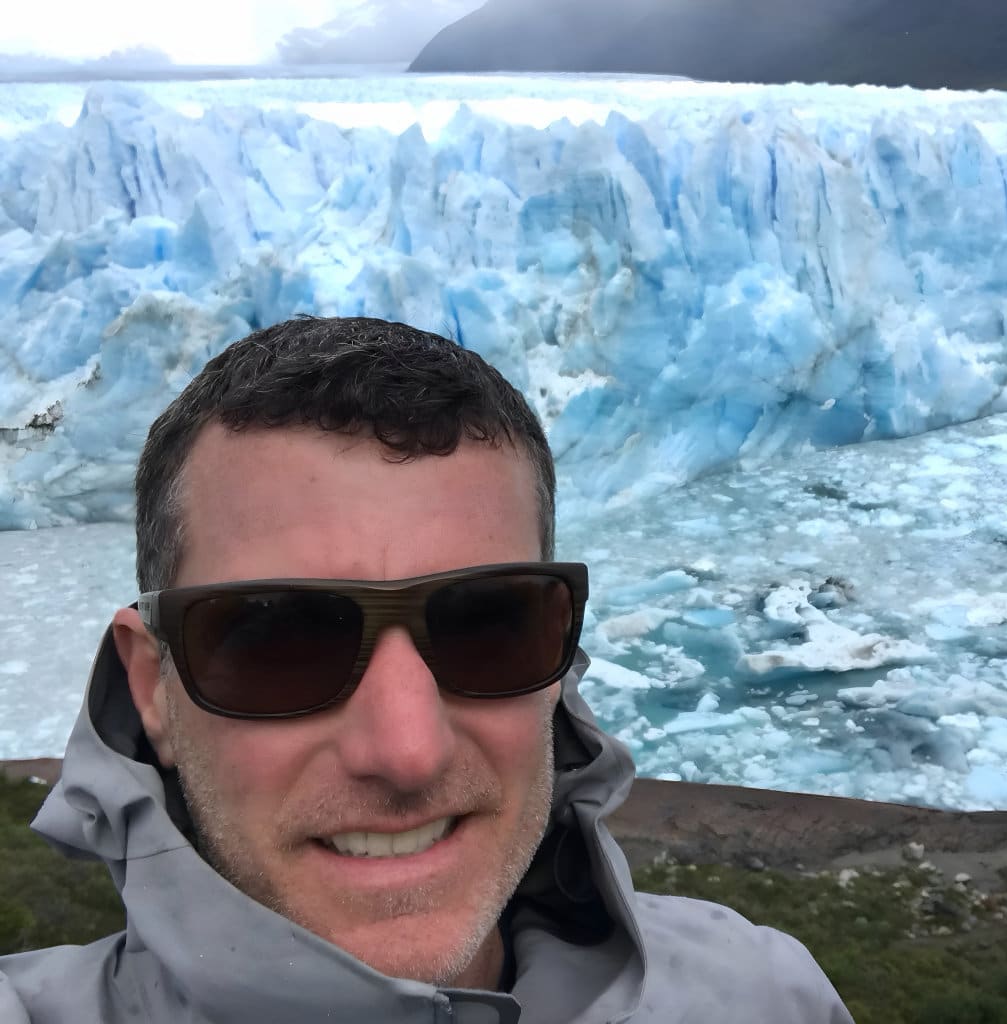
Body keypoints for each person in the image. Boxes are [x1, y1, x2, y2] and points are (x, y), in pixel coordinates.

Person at [0, 316, 853, 1023]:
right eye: (280, 638)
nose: (407, 751)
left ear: (558, 663)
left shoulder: (763, 996)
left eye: (489, 624)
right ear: (153, 688)